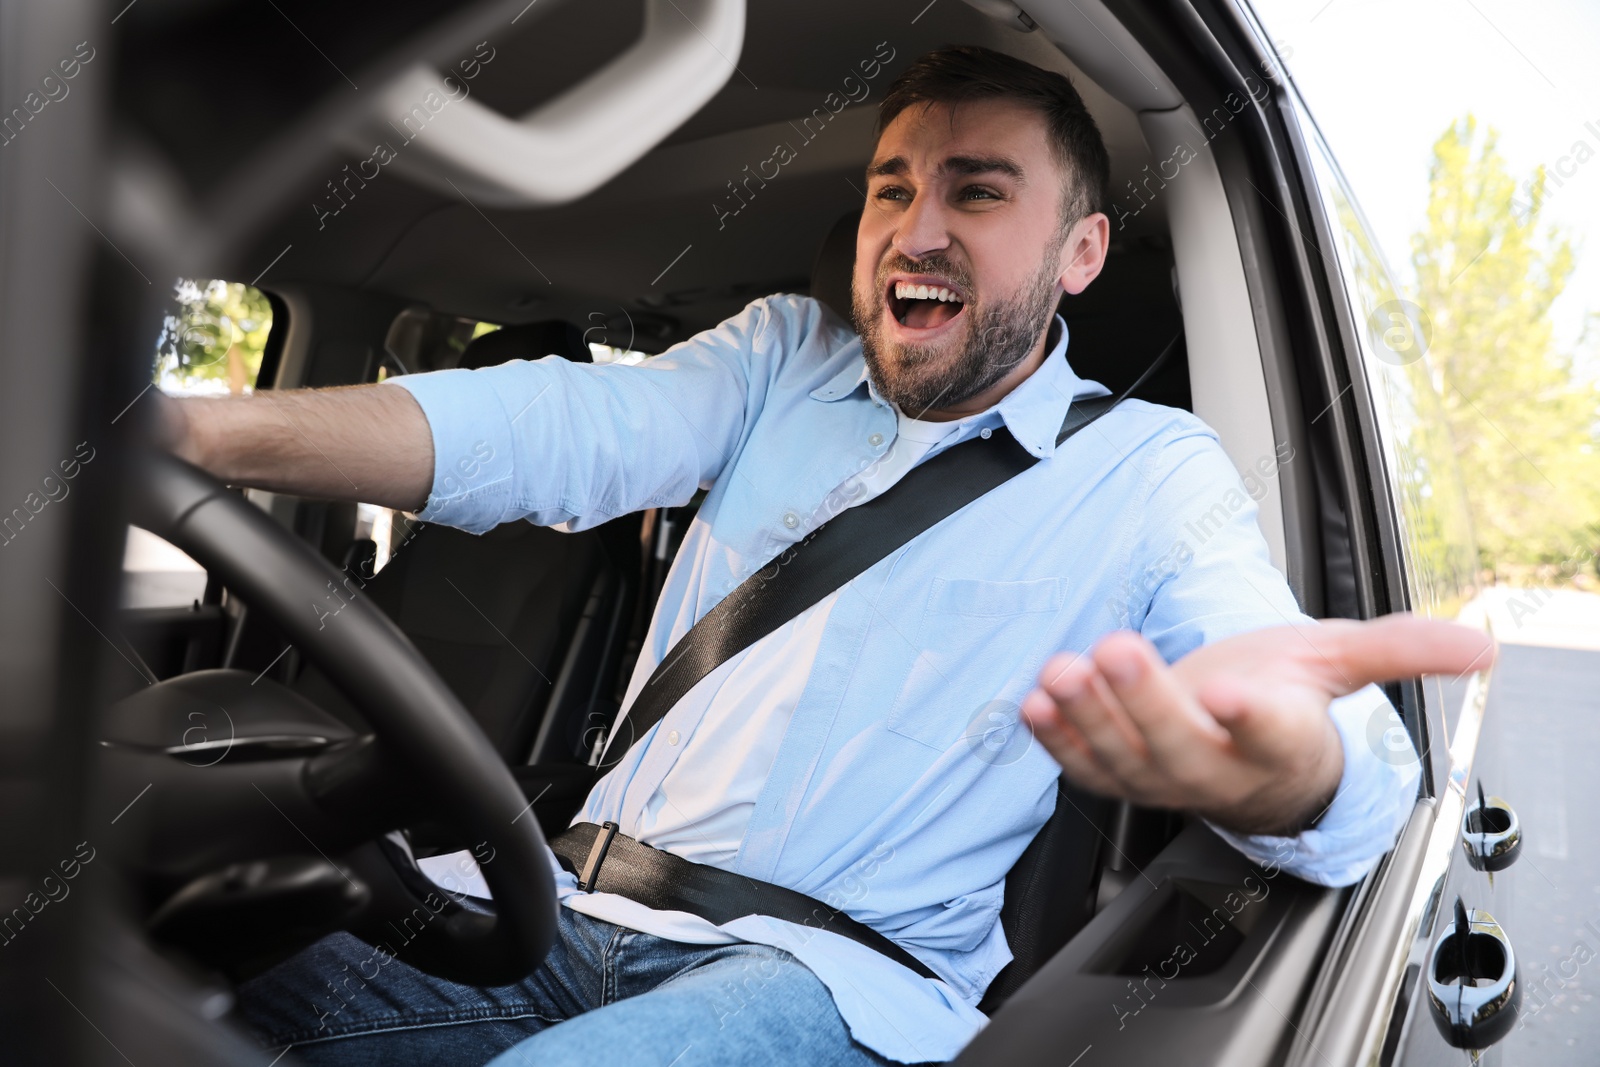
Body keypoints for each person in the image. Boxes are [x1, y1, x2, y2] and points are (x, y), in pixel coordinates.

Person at [157, 46, 1491, 1067]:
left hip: (823, 983)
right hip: (547, 903)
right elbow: (562, 425)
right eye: (893, 188)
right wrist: (198, 431)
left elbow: (1343, 762)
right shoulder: (783, 361)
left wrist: (1290, 762)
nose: (918, 230)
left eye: (978, 192)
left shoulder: (1149, 472)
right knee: (150, 939)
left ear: (1082, 252)